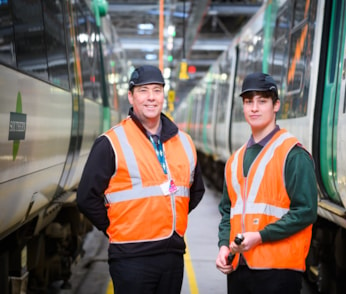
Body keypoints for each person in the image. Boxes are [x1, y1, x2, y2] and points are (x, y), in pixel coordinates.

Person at [77, 65, 205, 294]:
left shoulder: (184, 142)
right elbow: (86, 197)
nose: (151, 97)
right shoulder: (111, 142)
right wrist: (115, 228)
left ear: (163, 95)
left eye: (157, 90)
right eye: (143, 90)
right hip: (131, 259)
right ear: (131, 96)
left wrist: (171, 219)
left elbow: (195, 191)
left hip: (172, 257)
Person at [215, 72, 318, 294]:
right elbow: (227, 212)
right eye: (248, 102)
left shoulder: (293, 154)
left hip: (278, 272)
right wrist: (224, 246)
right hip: (238, 270)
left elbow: (306, 211)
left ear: (276, 105)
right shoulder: (234, 160)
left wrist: (261, 236)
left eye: (262, 101)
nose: (254, 108)